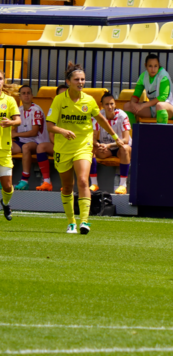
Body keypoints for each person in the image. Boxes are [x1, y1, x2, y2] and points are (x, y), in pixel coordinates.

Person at [46, 63, 125, 235]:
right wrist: (63, 131)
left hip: (83, 145)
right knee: (67, 187)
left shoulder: (88, 100)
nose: (80, 82)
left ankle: (84, 221)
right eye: (77, 79)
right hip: (63, 148)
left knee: (83, 180)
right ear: (68, 82)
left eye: (83, 79)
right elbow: (50, 125)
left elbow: (102, 120)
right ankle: (71, 222)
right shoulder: (59, 100)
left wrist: (115, 137)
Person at [90, 91, 132, 195]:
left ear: (115, 104)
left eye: (112, 103)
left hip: (120, 148)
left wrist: (108, 145)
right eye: (107, 104)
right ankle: (94, 184)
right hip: (106, 149)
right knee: (88, 148)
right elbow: (93, 138)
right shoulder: (98, 116)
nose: (110, 106)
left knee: (125, 149)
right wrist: (98, 145)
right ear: (102, 105)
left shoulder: (122, 115)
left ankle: (123, 185)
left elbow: (125, 140)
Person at [11, 84, 51, 191]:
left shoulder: (36, 110)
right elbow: (14, 129)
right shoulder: (18, 110)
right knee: (6, 147)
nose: (26, 95)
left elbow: (34, 132)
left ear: (32, 96)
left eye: (28, 93)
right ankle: (4, 178)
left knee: (26, 148)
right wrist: (12, 135)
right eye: (23, 93)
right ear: (19, 96)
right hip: (23, 141)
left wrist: (16, 134)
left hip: (38, 141)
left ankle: (25, 180)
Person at [123, 54, 173, 125]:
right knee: (127, 106)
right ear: (145, 66)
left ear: (158, 65)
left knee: (160, 105)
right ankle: (134, 134)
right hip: (153, 109)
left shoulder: (163, 75)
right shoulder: (143, 76)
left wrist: (143, 105)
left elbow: (162, 98)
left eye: (155, 66)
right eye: (150, 66)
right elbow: (136, 95)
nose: (153, 69)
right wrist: (132, 103)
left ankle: (161, 135)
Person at [35, 84, 67, 191]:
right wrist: (59, 145)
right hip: (57, 145)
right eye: (61, 95)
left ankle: (66, 185)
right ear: (56, 97)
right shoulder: (54, 110)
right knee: (41, 147)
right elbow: (51, 133)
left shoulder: (76, 109)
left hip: (73, 146)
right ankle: (47, 182)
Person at [0, 69, 22, 221]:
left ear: (3, 81)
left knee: (7, 186)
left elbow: (18, 120)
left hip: (4, 148)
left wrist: (11, 122)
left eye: (0, 78)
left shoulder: (9, 100)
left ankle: (5, 203)